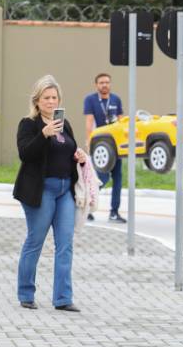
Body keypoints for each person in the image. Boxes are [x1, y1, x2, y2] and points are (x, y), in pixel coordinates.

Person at [13, 75, 88, 313]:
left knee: (65, 244)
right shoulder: (29, 124)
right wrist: (43, 134)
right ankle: (26, 294)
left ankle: (63, 298)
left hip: (65, 190)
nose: (51, 101)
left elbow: (68, 151)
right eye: (46, 97)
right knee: (35, 241)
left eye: (54, 97)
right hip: (41, 190)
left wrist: (79, 156)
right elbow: (25, 153)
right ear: (37, 101)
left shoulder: (64, 124)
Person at [83, 73, 125, 223]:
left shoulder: (116, 99)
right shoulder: (90, 100)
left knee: (118, 178)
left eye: (107, 82)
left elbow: (121, 122)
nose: (104, 85)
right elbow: (89, 122)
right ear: (96, 85)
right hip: (101, 146)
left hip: (116, 146)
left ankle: (114, 212)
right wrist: (89, 142)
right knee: (102, 177)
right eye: (101, 82)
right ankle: (86, 206)